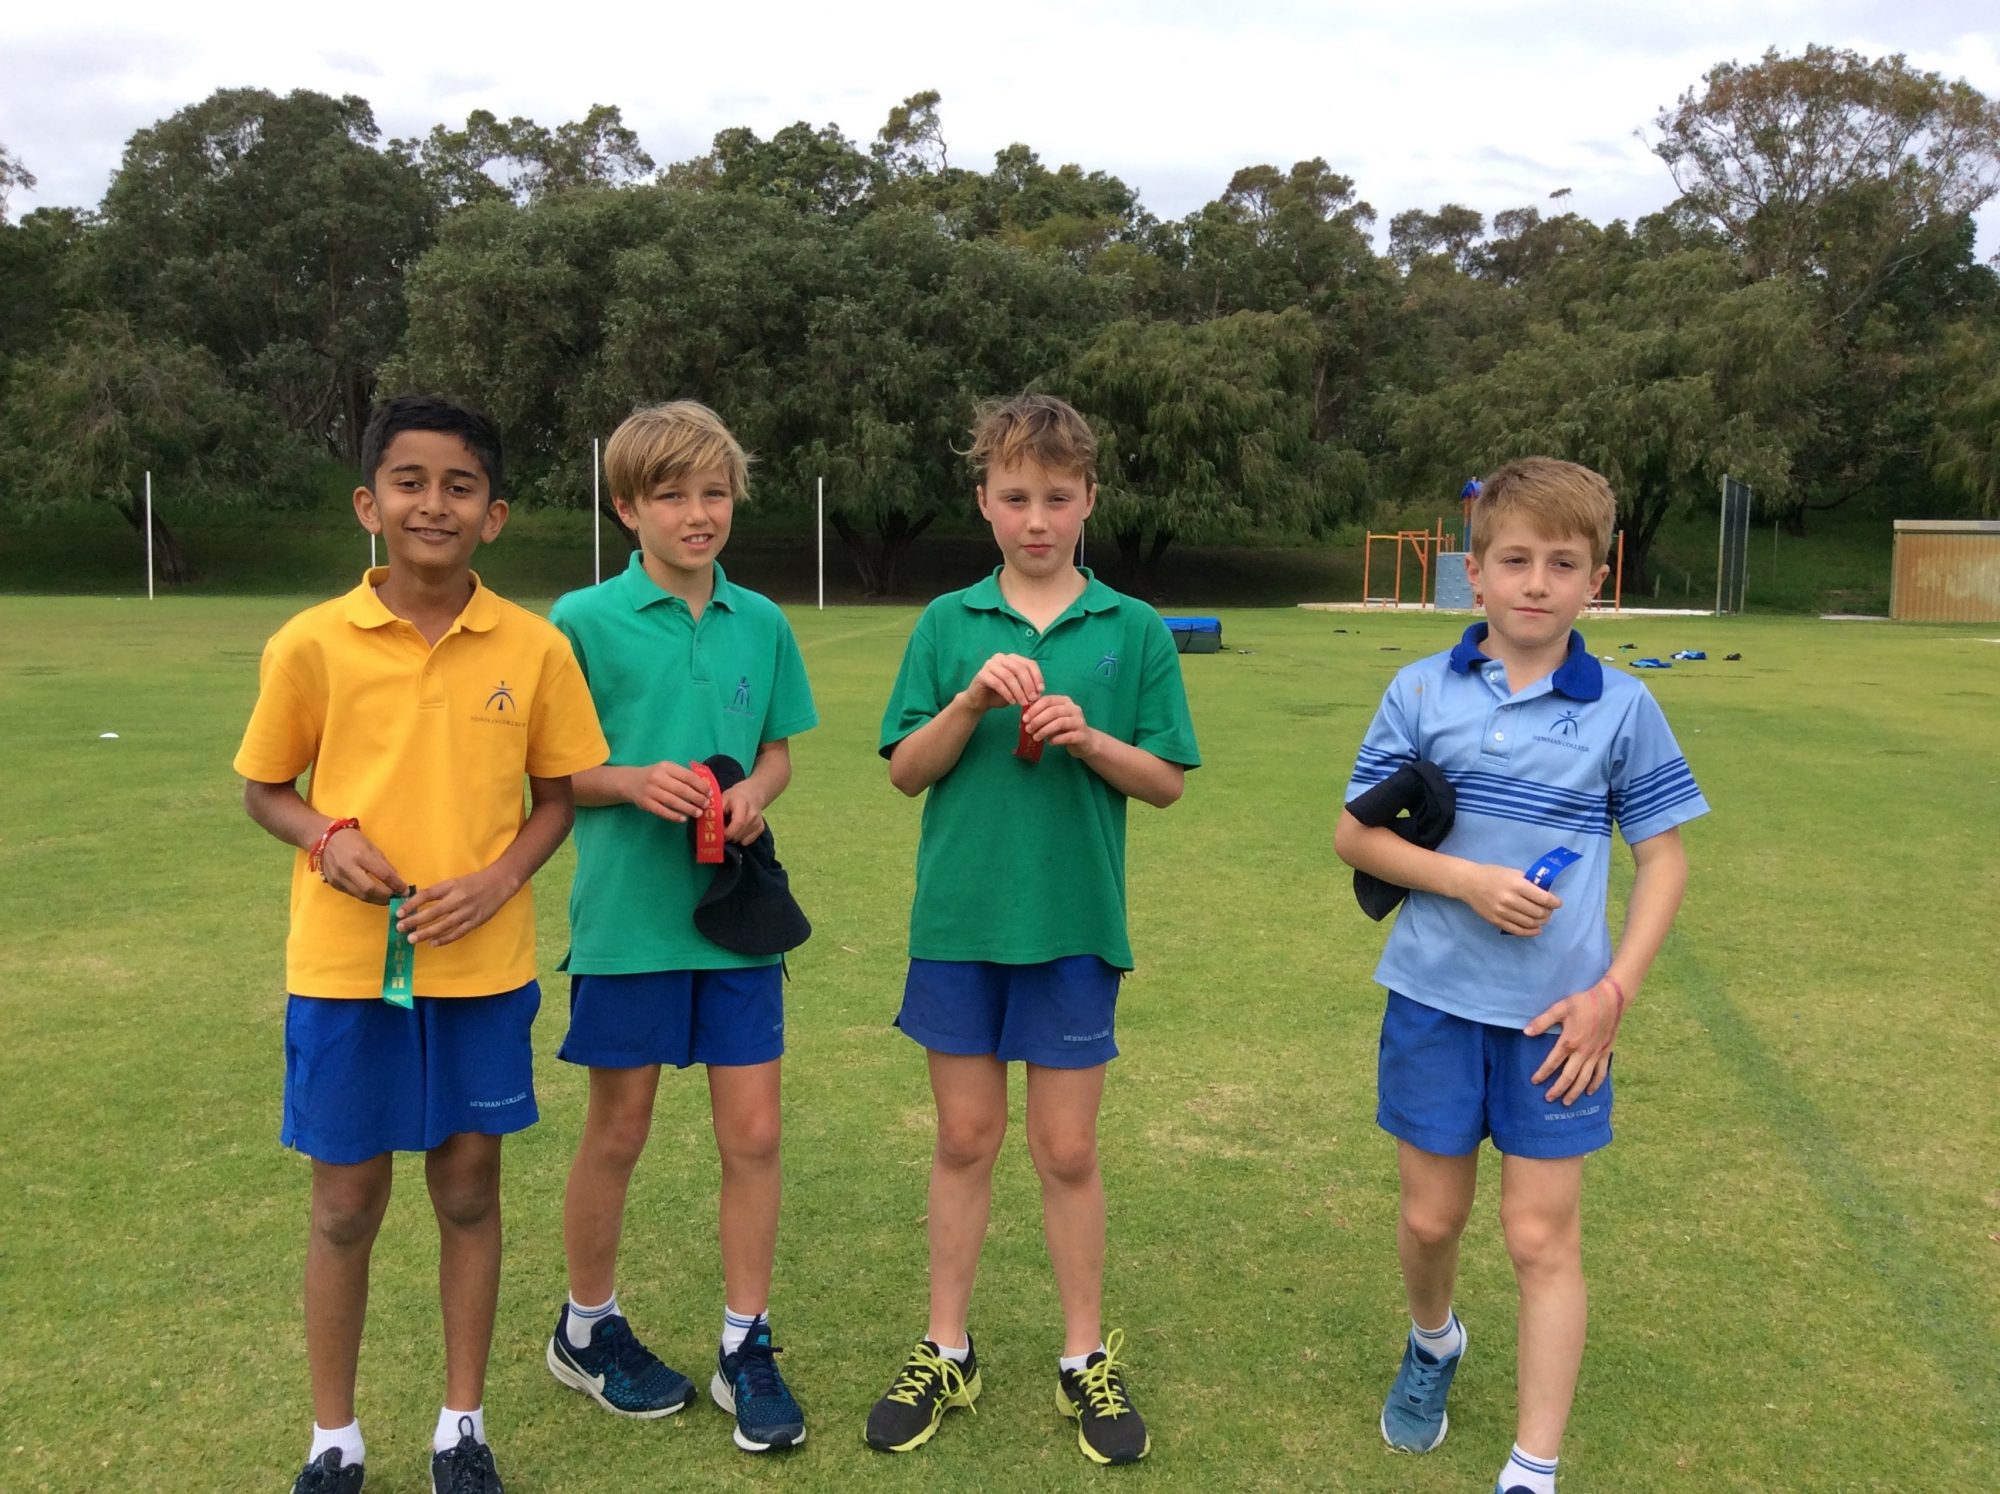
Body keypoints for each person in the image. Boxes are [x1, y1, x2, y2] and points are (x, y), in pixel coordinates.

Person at [236, 395, 608, 1494]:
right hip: (346, 976)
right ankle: (333, 1439)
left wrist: (498, 880)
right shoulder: (309, 642)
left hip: (483, 975)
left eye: (459, 486)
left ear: (494, 515)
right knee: (346, 1204)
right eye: (409, 482)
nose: (432, 503)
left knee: (468, 1194)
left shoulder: (534, 647)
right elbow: (266, 789)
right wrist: (326, 837)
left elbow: (557, 798)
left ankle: (462, 1425)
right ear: (369, 504)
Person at [1333, 457, 1708, 1494]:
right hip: (1431, 1001)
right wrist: (1464, 881)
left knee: (1539, 1237)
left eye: (1562, 561)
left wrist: (1611, 996)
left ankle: (1530, 1467)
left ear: (1596, 577)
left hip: (1560, 1020)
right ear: (1474, 573)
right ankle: (1432, 1342)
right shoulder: (1420, 690)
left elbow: (1664, 858)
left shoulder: (1623, 708)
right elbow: (1354, 837)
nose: (1536, 581)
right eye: (1514, 560)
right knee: (1429, 1221)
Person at [865, 393, 1200, 1466]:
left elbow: (1164, 783)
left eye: (1057, 497)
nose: (1036, 518)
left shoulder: (1133, 627)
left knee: (1064, 1149)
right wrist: (968, 703)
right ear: (984, 501)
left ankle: (1081, 1357)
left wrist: (1087, 736)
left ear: (1089, 498)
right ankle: (945, 1346)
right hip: (959, 925)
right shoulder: (946, 623)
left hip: (1070, 925)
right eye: (1015, 497)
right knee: (965, 1139)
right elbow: (904, 771)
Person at [544, 401, 817, 1453]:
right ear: (627, 506)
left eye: (714, 493)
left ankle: (743, 1344)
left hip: (736, 918)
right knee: (617, 1131)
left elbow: (779, 750)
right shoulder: (581, 620)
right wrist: (624, 779)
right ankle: (586, 1327)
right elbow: (547, 770)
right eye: (671, 495)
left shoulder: (762, 621)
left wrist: (755, 790)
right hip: (625, 925)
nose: (698, 514)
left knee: (753, 1134)